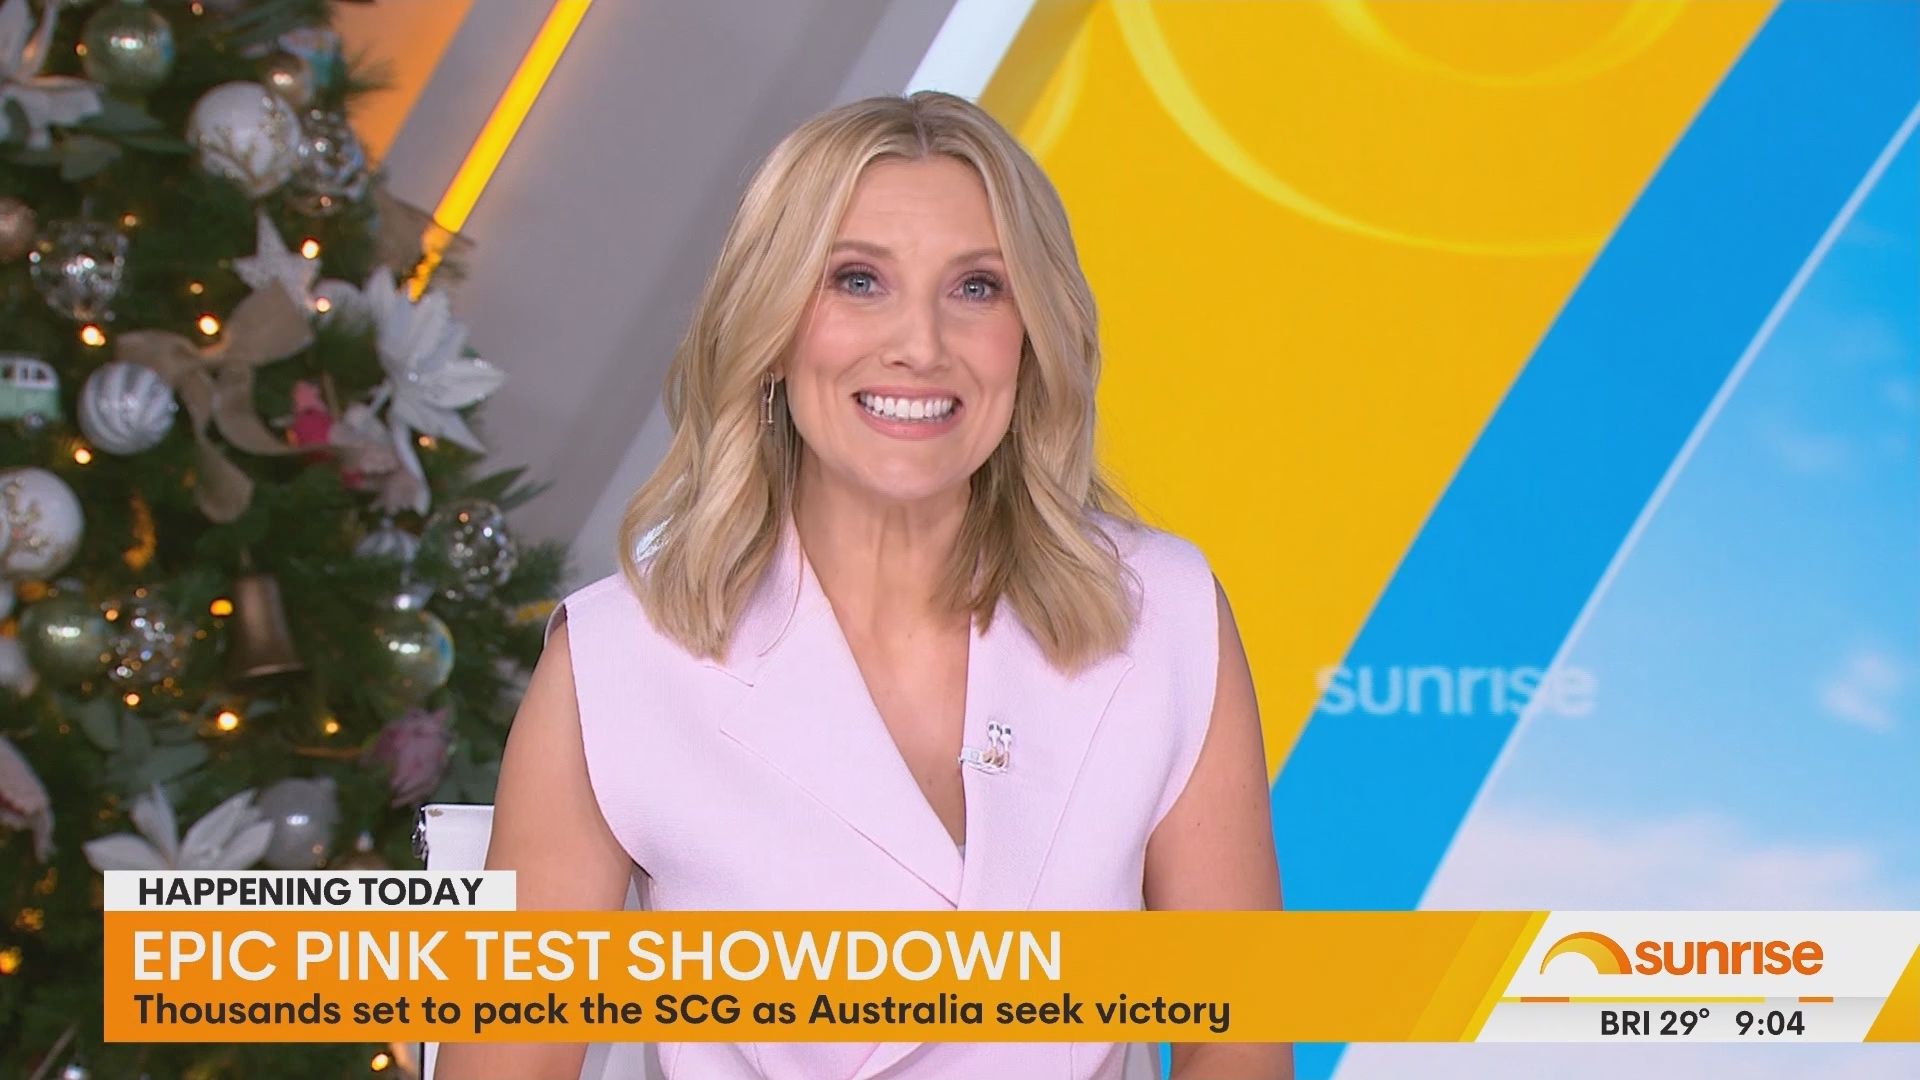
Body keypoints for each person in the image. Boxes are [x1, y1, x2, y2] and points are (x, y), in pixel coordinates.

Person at [438, 89, 1289, 1080]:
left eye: (977, 287)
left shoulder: (1161, 611)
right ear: (772, 330)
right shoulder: (616, 662)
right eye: (857, 280)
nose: (920, 345)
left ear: (1031, 335)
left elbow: (1242, 1037)